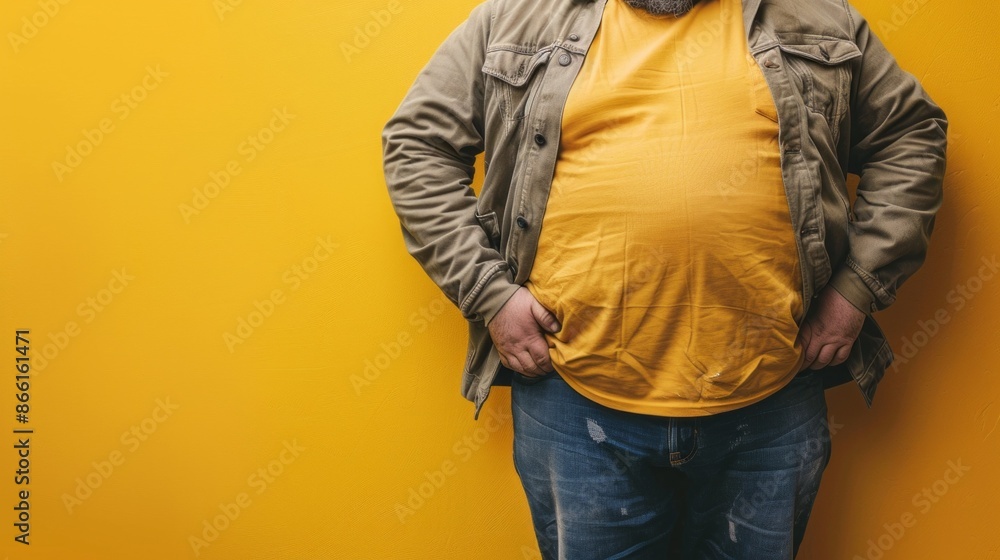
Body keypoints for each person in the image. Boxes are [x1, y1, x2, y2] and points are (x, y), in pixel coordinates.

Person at [381, 0, 947, 557]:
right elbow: (416, 146)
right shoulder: (513, 18)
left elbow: (911, 137)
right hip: (573, 399)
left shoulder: (817, 16)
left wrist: (856, 289)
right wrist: (489, 293)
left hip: (772, 393)